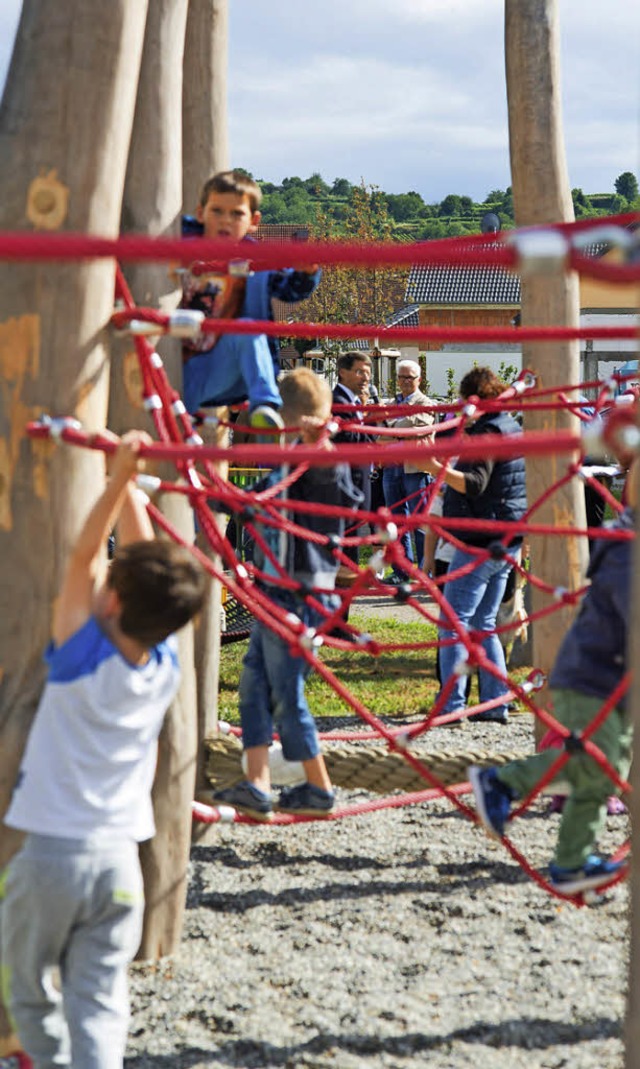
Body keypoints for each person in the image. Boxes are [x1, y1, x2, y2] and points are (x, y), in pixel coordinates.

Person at [1, 432, 208, 1069]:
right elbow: (124, 563)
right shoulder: (165, 665)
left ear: (112, 599)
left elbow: (82, 557)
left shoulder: (82, 655)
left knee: (24, 988)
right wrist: (130, 481)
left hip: (52, 860)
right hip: (122, 867)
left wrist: (118, 477)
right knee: (99, 997)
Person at [469, 459, 637, 896]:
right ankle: (502, 782)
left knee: (608, 769)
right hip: (591, 675)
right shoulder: (626, 544)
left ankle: (572, 861)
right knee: (594, 760)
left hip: (613, 681)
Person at [212, 368, 362, 821]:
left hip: (300, 597)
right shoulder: (286, 462)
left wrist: (317, 445)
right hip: (274, 594)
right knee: (254, 686)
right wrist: (205, 489)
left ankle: (319, 786)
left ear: (290, 421)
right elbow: (248, 501)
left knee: (284, 694)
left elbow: (345, 498)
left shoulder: (323, 464)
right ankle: (257, 783)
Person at [419, 366, 527, 725]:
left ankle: (451, 706)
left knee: (453, 623)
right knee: (483, 623)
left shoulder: (488, 433)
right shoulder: (511, 427)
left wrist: (434, 467)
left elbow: (475, 483)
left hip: (481, 540)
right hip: (506, 539)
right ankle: (494, 703)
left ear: (474, 400)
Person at [180, 169, 321, 433]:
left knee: (247, 328)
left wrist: (307, 271)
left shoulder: (256, 260)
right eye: (217, 211)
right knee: (169, 436)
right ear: (201, 213)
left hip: (220, 362)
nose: (225, 221)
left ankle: (264, 405)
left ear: (253, 221)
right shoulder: (179, 240)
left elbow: (290, 288)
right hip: (174, 360)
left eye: (237, 214)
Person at [380, 359, 435, 582]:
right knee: (395, 522)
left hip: (416, 468)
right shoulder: (389, 404)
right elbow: (377, 433)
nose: (404, 381)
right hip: (392, 466)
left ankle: (425, 570)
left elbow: (415, 427)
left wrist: (391, 427)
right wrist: (401, 428)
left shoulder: (427, 403)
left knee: (419, 521)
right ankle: (401, 571)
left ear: (419, 379)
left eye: (409, 377)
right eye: (401, 377)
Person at [331, 352, 376, 571]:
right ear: (342, 372)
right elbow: (348, 440)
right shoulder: (338, 402)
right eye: (359, 372)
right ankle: (339, 599)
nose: (365, 378)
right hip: (344, 489)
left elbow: (368, 438)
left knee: (351, 546)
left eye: (368, 372)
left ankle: (344, 597)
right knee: (344, 551)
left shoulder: (355, 402)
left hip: (357, 485)